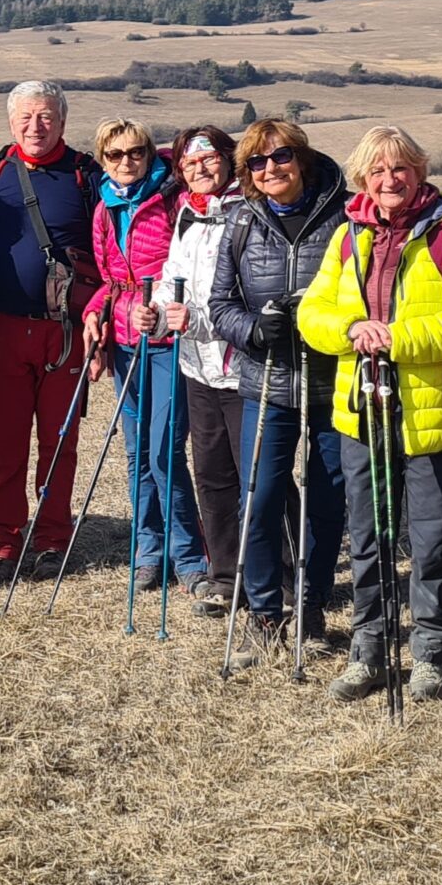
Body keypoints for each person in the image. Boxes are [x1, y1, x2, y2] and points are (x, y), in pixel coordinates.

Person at [297, 125, 442, 704]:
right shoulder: (347, 235)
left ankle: (432, 652)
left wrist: (395, 339)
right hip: (364, 412)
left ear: (420, 170)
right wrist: (351, 329)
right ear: (363, 177)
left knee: (433, 542)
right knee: (368, 538)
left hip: (436, 414)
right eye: (378, 171)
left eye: (401, 168)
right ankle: (370, 650)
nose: (390, 180)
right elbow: (313, 314)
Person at [207, 119, 351, 666]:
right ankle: (265, 612)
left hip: (332, 381)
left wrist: (329, 323)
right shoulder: (240, 222)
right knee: (260, 497)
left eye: (281, 156)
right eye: (257, 163)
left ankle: (312, 606)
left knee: (327, 499)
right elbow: (220, 305)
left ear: (302, 158)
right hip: (266, 381)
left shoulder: (344, 217)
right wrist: (254, 329)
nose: (271, 169)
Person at [0, 80, 103, 587]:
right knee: (5, 444)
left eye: (45, 117)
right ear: (10, 122)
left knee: (59, 443)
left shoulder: (86, 174)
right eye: (25, 117)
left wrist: (101, 324)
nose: (35, 126)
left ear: (62, 121)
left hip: (66, 334)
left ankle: (51, 542)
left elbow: (107, 254)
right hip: (2, 326)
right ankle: (0, 545)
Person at [86, 118, 208, 598]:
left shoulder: (173, 200)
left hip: (167, 341)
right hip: (123, 340)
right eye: (115, 155)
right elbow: (110, 281)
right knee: (137, 454)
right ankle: (148, 553)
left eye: (136, 152)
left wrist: (160, 307)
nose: (127, 162)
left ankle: (190, 557)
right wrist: (95, 312)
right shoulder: (104, 208)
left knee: (163, 452)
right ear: (102, 159)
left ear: (150, 155)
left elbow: (186, 270)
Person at [153, 125, 245, 616]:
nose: (200, 169)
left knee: (258, 479)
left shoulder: (248, 212)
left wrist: (197, 319)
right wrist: (155, 311)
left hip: (244, 367)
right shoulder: (188, 214)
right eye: (190, 163)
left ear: (228, 160)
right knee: (211, 476)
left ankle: (281, 575)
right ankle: (225, 576)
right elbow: (173, 279)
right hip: (197, 366)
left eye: (208, 159)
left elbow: (250, 291)